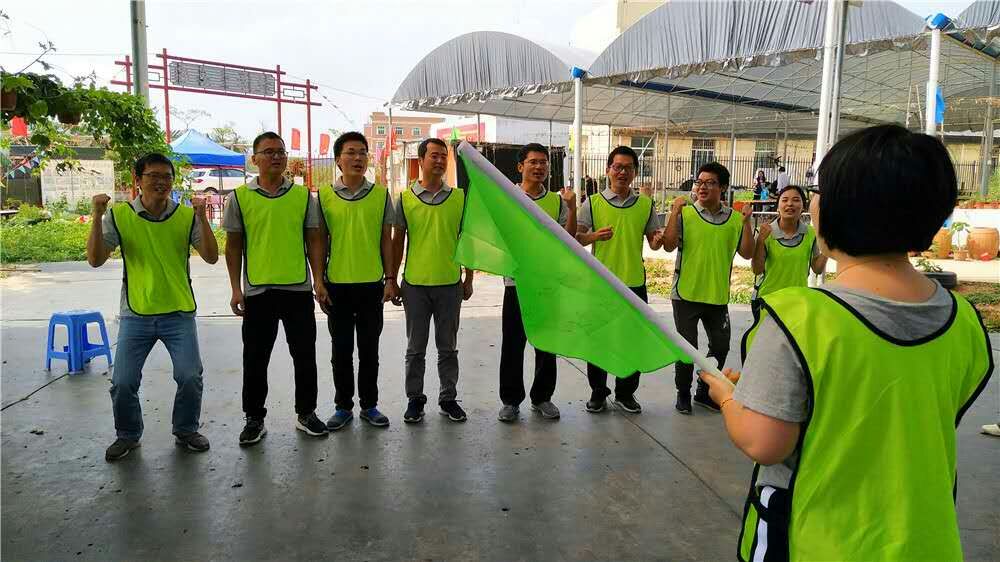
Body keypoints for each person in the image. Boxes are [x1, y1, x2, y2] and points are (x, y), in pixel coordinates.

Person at [699, 124, 993, 561]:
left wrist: (728, 397)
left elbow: (765, 442)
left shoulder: (796, 318)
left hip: (818, 540)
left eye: (819, 191)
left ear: (837, 209)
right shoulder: (964, 320)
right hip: (926, 541)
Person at [86, 153, 219, 461]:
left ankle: (186, 429)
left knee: (189, 376)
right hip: (137, 312)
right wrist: (96, 216)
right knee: (122, 382)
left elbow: (211, 256)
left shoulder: (185, 216)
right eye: (152, 176)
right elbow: (95, 259)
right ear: (138, 180)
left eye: (166, 177)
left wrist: (201, 217)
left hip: (178, 311)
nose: (160, 182)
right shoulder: (119, 215)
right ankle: (128, 435)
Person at [224, 132, 329, 445]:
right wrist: (235, 289)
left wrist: (319, 279)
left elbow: (313, 239)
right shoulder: (239, 198)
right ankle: (254, 418)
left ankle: (306, 412)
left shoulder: (301, 197)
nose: (276, 157)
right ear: (254, 159)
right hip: (257, 292)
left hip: (298, 289)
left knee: (305, 355)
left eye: (281, 152)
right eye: (268, 152)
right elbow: (233, 246)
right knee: (255, 359)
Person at [312, 132, 396, 432]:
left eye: (362, 152)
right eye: (350, 152)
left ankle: (369, 405)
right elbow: (319, 241)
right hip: (338, 285)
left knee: (369, 349)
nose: (358, 158)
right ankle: (342, 406)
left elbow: (386, 239)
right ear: (338, 160)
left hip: (372, 284)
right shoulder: (323, 196)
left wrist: (389, 279)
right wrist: (319, 280)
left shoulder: (380, 195)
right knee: (341, 350)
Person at [659, 161, 754, 414]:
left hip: (717, 296)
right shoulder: (687, 214)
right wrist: (674, 213)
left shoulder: (735, 220)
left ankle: (703, 392)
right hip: (685, 294)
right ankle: (683, 393)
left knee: (720, 347)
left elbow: (747, 253)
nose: (702, 187)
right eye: (698, 182)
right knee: (687, 349)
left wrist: (747, 224)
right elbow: (668, 246)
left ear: (722, 187)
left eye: (709, 183)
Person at [390, 138, 474, 424]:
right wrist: (392, 279)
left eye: (443, 156)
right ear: (421, 159)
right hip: (415, 284)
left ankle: (448, 398)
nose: (439, 161)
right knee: (415, 349)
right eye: (434, 156)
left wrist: (469, 277)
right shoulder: (405, 198)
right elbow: (397, 240)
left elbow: (468, 239)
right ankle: (415, 399)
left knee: (447, 347)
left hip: (450, 284)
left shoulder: (460, 198)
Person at [576, 146, 663, 414]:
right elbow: (575, 239)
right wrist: (593, 237)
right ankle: (598, 393)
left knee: (631, 342)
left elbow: (654, 241)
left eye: (628, 168)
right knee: (599, 341)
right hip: (601, 283)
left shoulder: (646, 205)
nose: (622, 172)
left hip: (634, 283)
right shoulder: (592, 203)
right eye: (617, 166)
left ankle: (626, 393)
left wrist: (658, 240)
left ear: (635, 172)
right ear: (608, 170)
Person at [497, 143, 577, 423]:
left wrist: (571, 207)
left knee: (546, 343)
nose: (539, 167)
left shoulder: (556, 201)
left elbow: (568, 239)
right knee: (513, 344)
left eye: (544, 162)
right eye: (533, 162)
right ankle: (510, 401)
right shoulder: (507, 197)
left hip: (547, 283)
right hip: (516, 283)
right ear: (520, 167)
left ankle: (542, 397)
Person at [750, 184, 828, 315]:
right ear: (778, 207)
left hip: (797, 302)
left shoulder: (810, 233)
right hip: (768, 301)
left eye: (796, 200)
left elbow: (817, 269)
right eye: (785, 200)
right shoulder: (765, 232)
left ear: (803, 207)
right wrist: (760, 241)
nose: (790, 204)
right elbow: (757, 269)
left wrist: (828, 246)